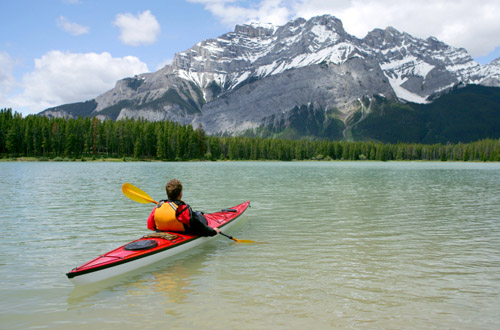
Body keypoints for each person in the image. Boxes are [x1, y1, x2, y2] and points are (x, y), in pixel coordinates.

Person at [147, 179, 220, 236]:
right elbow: (199, 227)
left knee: (196, 215)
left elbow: (150, 226)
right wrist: (213, 232)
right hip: (183, 232)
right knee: (201, 218)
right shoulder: (183, 208)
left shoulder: (157, 207)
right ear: (180, 193)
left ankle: (196, 214)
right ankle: (198, 215)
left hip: (161, 232)